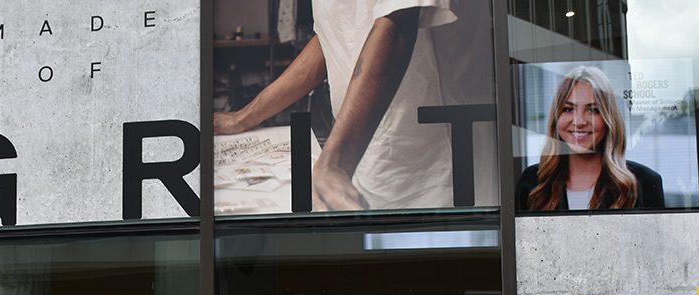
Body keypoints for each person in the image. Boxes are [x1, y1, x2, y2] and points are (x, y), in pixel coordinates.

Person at [214, 2, 496, 211]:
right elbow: (332, 36)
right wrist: (246, 116)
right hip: (370, 154)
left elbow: (397, 23)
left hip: (440, 162)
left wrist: (334, 163)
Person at [516, 65, 664, 211]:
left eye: (593, 110)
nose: (579, 121)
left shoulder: (644, 182)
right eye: (568, 109)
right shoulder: (533, 182)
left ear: (608, 119)